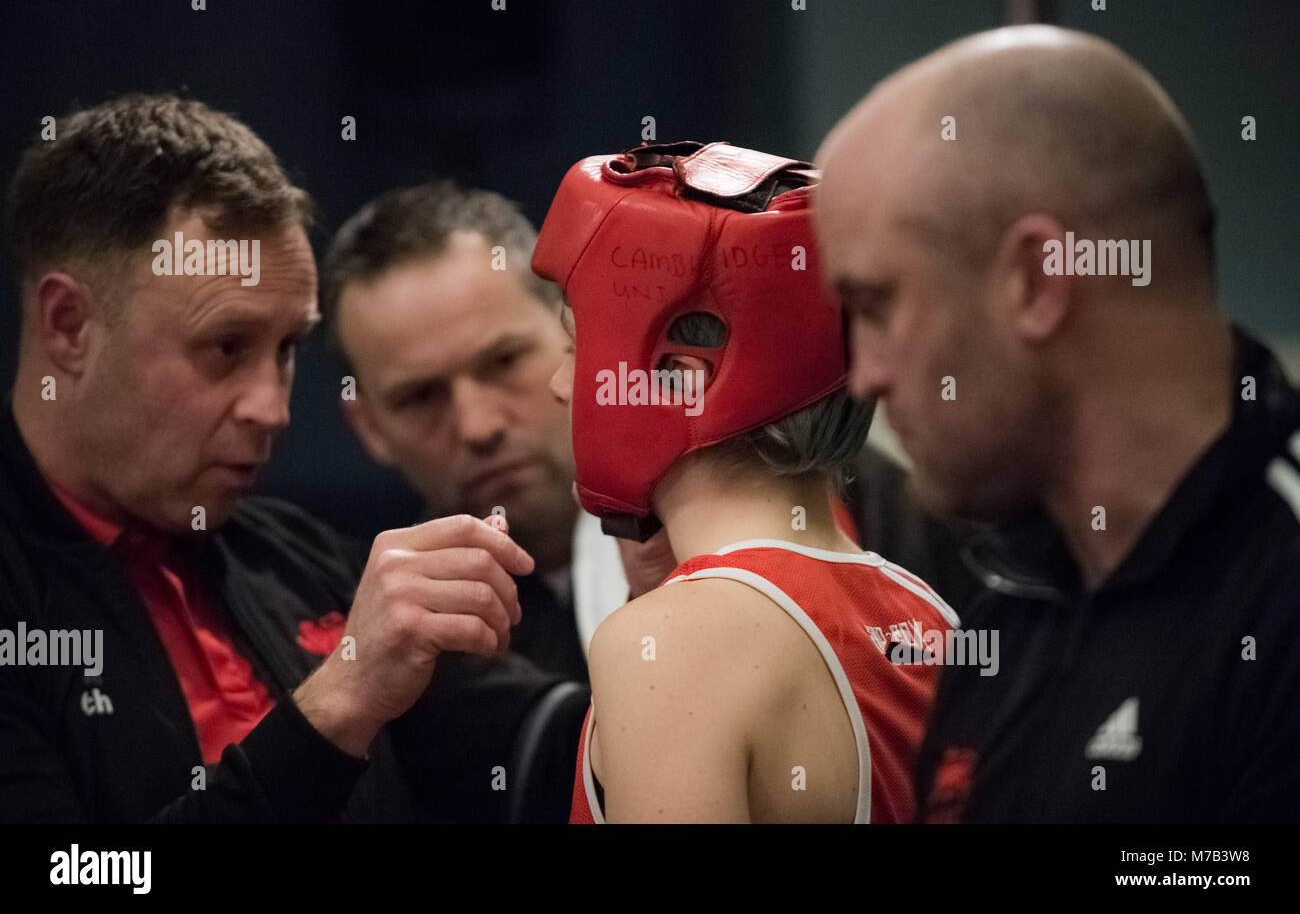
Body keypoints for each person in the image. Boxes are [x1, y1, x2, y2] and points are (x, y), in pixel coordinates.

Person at [0, 93, 543, 822]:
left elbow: (547, 746)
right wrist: (336, 704)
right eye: (225, 347)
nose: (273, 408)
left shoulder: (298, 555)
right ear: (69, 325)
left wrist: (695, 601)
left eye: (286, 349)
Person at [814, 25, 1300, 821]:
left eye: (878, 305)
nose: (863, 374)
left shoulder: (1276, 588)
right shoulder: (1007, 615)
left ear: (1039, 281)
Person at [534, 140, 959, 823]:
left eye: (577, 349)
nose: (560, 387)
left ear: (679, 377)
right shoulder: (930, 616)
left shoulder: (668, 643)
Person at [323, 181, 628, 682]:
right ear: (369, 427)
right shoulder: (378, 667)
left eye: (504, 361)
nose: (478, 426)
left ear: (579, 332)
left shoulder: (723, 550)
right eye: (420, 398)